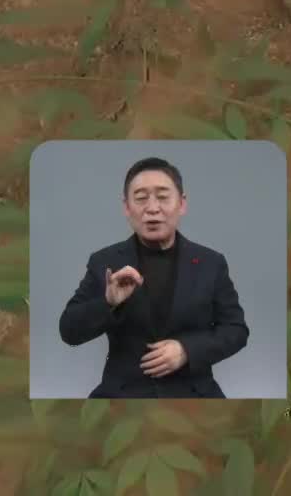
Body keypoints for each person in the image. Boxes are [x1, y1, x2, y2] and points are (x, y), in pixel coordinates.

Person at [57, 156, 250, 397]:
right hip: (124, 396)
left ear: (182, 203)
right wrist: (108, 303)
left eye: (162, 196)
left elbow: (236, 330)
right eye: (140, 198)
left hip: (193, 395)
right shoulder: (105, 262)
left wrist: (187, 350)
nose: (152, 208)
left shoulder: (211, 263)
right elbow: (68, 331)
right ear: (127, 207)